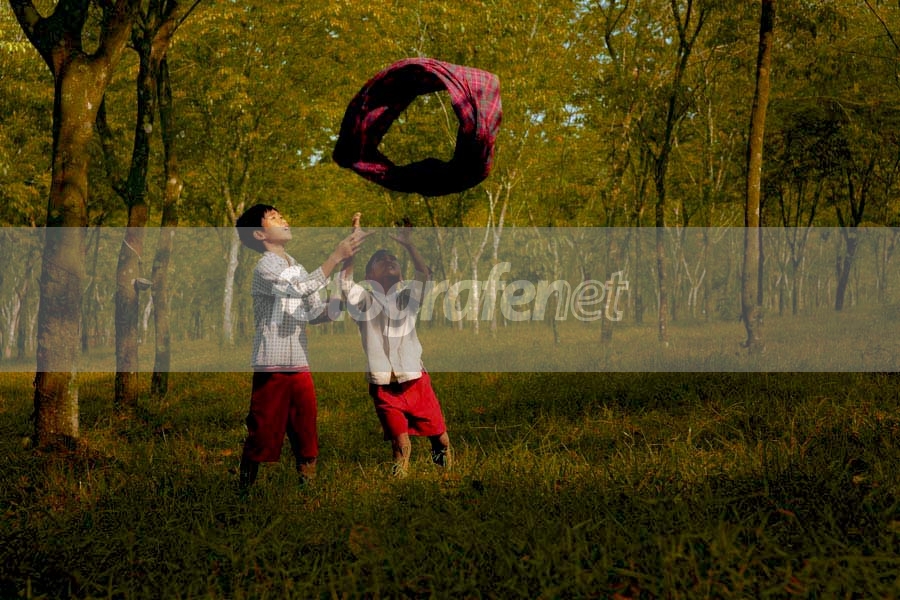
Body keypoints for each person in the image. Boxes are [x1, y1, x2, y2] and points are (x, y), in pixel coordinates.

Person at [235, 204, 368, 490]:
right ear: (259, 234)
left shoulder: (296, 267)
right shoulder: (266, 266)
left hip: (299, 365)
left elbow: (317, 312)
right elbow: (300, 288)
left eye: (282, 215)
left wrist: (344, 281)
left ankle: (308, 492)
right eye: (274, 218)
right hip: (272, 366)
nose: (283, 219)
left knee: (305, 429)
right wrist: (336, 256)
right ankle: (243, 492)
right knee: (262, 430)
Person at [340, 216, 451, 477]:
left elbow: (423, 275)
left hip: (416, 381)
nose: (389, 261)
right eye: (381, 260)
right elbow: (345, 283)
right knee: (401, 446)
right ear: (369, 276)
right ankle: (399, 485)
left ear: (401, 274)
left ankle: (446, 478)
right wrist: (352, 246)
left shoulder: (407, 297)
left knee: (441, 440)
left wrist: (409, 245)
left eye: (393, 259)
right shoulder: (363, 301)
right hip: (384, 387)